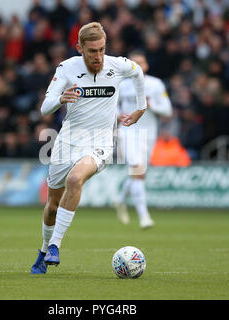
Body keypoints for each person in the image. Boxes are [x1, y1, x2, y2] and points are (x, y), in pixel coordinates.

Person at [30, 22, 147, 274]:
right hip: (67, 142)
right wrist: (61, 98)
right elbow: (45, 107)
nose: (98, 56)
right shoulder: (66, 68)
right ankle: (43, 249)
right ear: (79, 48)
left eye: (102, 49)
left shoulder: (118, 65)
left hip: (100, 142)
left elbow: (138, 73)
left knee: (75, 179)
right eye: (92, 51)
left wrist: (141, 107)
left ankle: (55, 247)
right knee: (51, 206)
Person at [114, 51, 172, 228]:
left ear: (146, 66)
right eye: (134, 63)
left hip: (149, 133)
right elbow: (113, 108)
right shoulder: (121, 86)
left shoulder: (156, 84)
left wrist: (151, 105)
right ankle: (144, 216)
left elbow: (168, 111)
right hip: (128, 132)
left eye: (141, 63)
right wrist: (117, 117)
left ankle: (120, 199)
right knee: (137, 170)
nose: (138, 66)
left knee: (139, 173)